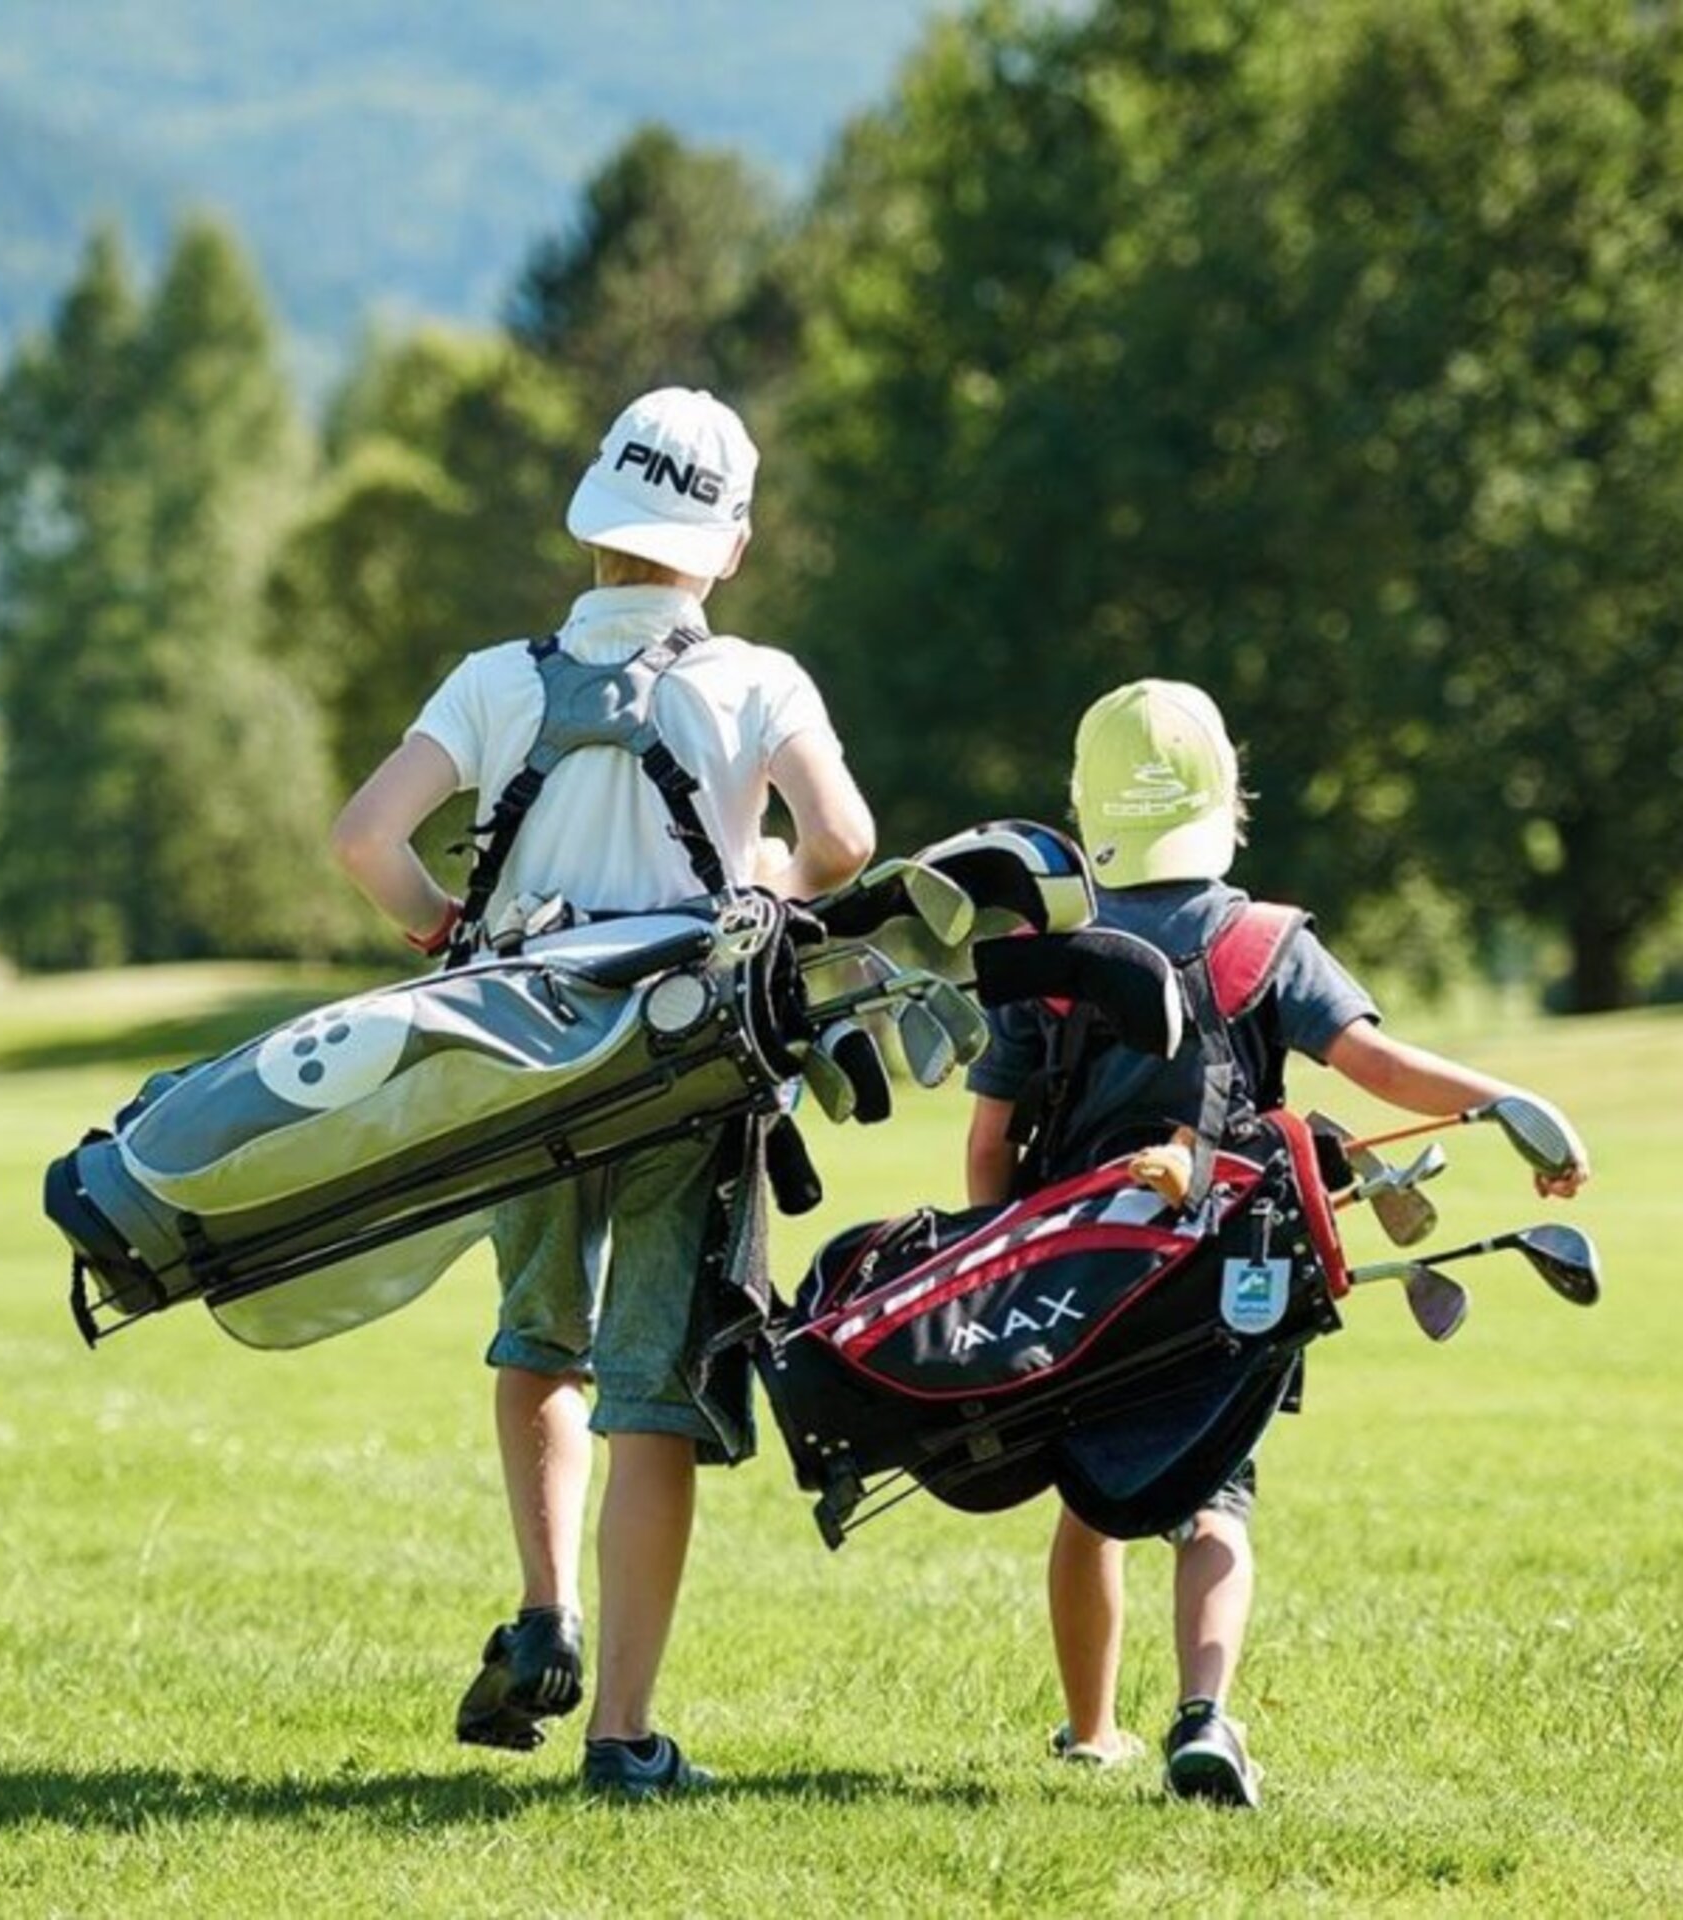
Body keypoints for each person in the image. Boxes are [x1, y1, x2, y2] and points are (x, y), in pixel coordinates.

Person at [331, 386, 874, 1798]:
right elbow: (843, 838)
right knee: (652, 1387)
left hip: (520, 1063)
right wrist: (762, 883)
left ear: (593, 522)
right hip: (682, 1078)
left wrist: (439, 921)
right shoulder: (760, 682)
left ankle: (542, 1606)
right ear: (730, 545)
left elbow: (362, 837)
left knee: (538, 1341)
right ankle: (624, 1737)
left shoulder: (494, 681)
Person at [963, 678, 1590, 1808]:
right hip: (1229, 1275)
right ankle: (1202, 1712)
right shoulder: (1263, 941)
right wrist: (1504, 1102)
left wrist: (1002, 1251)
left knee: (1090, 1501)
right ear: (1225, 801)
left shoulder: (1046, 957)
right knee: (1218, 1500)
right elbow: (1381, 1072)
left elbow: (990, 1138)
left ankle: (1090, 1730)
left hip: (1077, 1277)